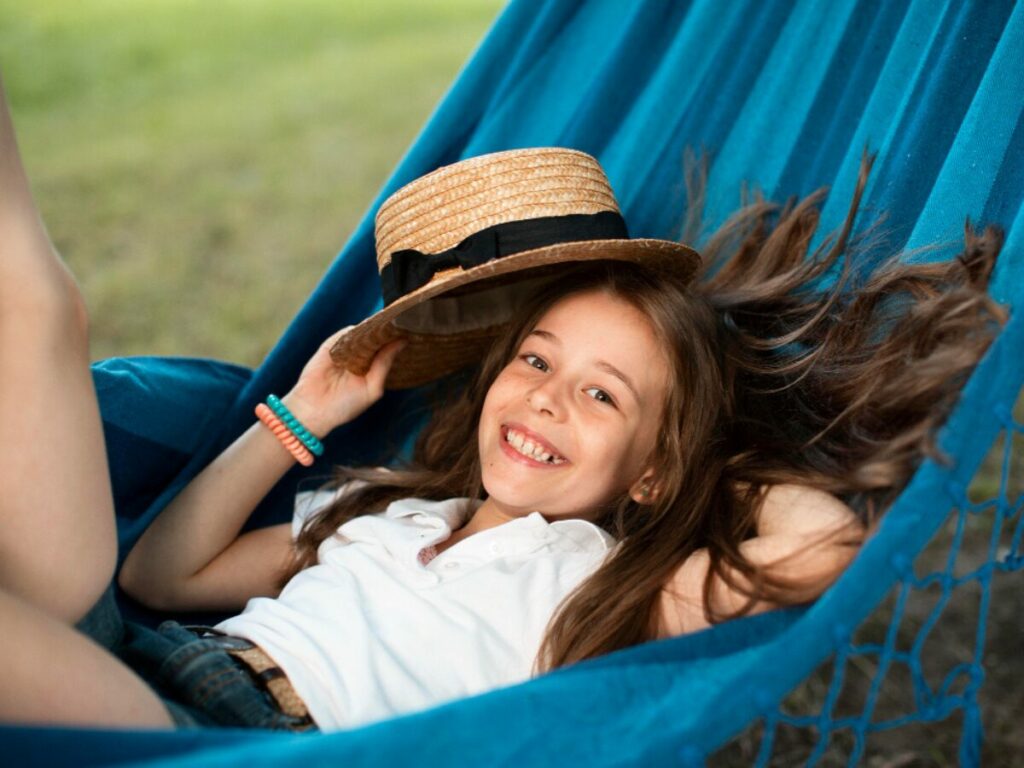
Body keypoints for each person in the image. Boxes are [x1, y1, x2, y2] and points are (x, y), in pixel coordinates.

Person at [0, 75, 1004, 733]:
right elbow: (161, 577)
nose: (547, 399)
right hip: (159, 661)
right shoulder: (380, 513)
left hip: (229, 744)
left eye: (601, 393)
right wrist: (301, 412)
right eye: (533, 359)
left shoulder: (599, 588)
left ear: (651, 468)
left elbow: (817, 544)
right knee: (37, 313)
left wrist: (689, 462)